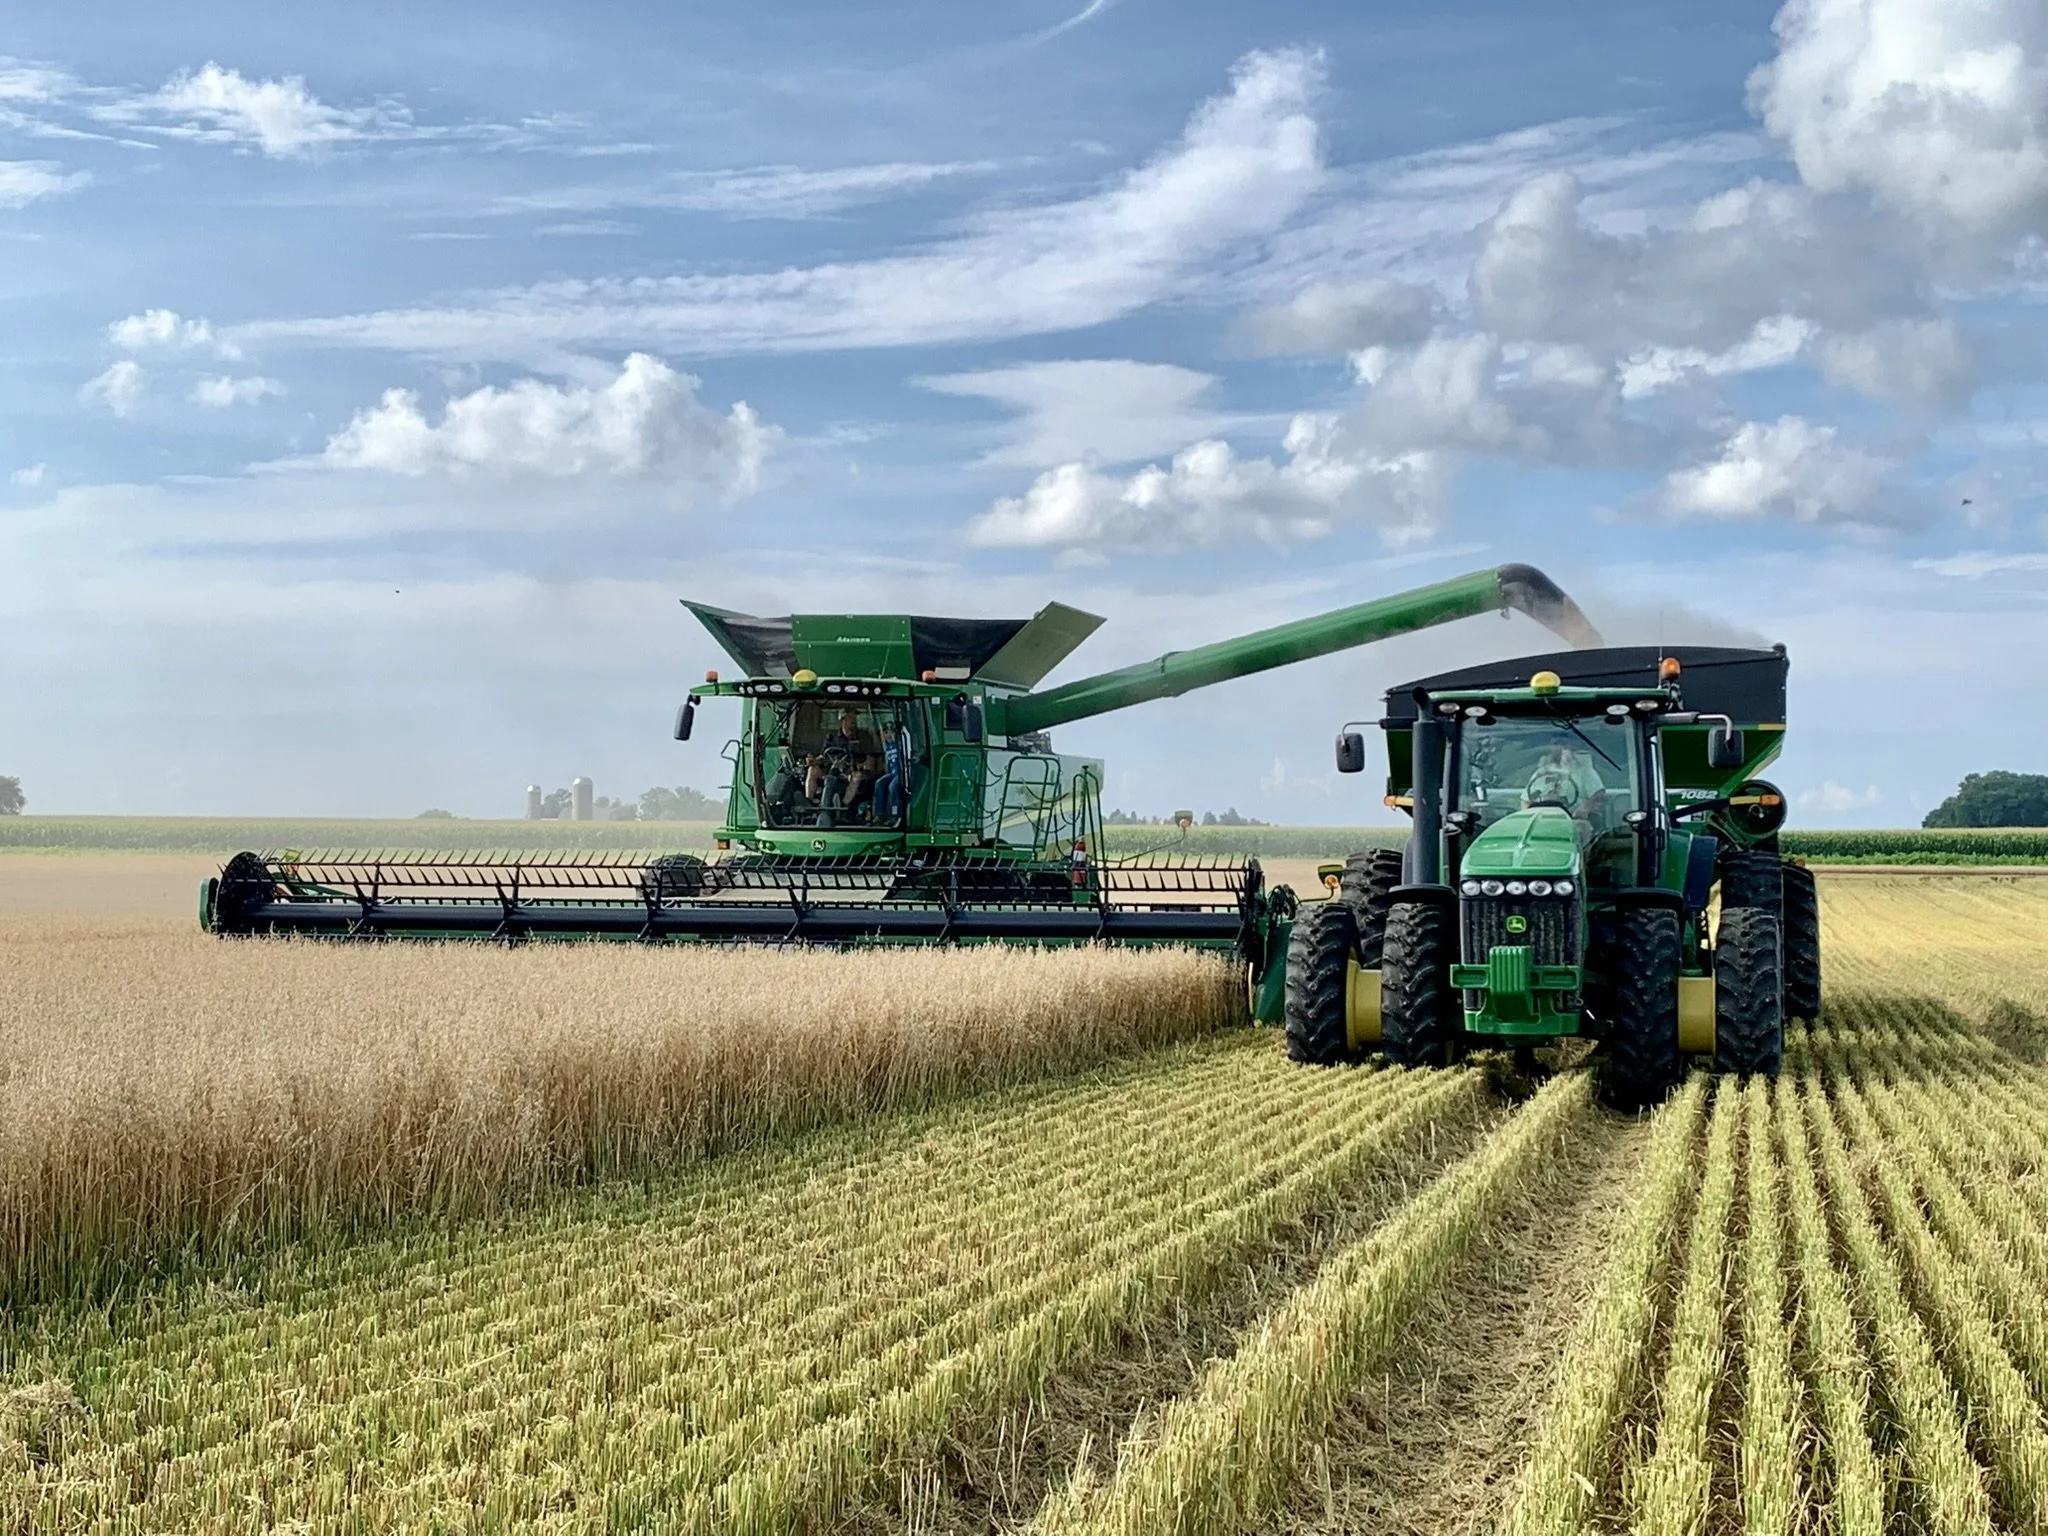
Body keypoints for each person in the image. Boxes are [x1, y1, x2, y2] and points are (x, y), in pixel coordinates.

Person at [805, 707, 876, 821]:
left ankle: (842, 806)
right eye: (850, 718)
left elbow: (870, 760)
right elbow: (823, 756)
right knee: (812, 770)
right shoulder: (831, 738)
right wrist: (814, 761)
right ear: (842, 720)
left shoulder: (863, 738)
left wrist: (861, 767)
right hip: (831, 771)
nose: (853, 722)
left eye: (854, 719)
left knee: (857, 777)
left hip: (849, 773)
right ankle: (809, 803)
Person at [1522, 742, 1606, 818]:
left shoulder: (1583, 771)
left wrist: (1585, 808)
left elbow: (1599, 795)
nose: (1559, 748)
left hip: (1573, 820)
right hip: (1543, 819)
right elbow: (1526, 801)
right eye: (1556, 744)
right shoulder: (1541, 772)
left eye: (1563, 744)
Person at [871, 720, 906, 824]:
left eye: (892, 732)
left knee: (893, 786)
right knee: (879, 783)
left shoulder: (900, 745)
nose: (889, 735)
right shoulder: (886, 747)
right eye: (886, 733)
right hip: (893, 773)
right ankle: (879, 814)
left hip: (902, 773)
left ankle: (894, 815)